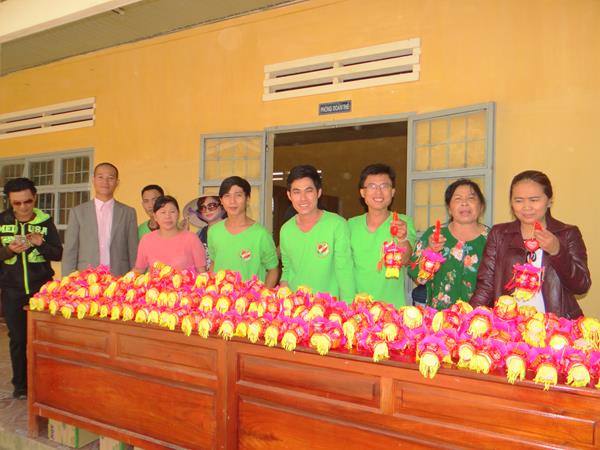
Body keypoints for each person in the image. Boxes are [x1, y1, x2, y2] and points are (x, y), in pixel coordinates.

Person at [470, 170, 591, 318]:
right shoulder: (499, 234)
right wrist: (469, 318)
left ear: (549, 201)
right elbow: (486, 285)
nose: (526, 207)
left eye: (534, 200)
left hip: (556, 325)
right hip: (510, 325)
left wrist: (557, 251)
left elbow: (581, 286)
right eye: (518, 200)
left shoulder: (567, 234)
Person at [0, 178, 62, 399]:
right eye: (17, 203)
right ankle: (21, 386)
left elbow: (58, 253)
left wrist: (41, 244)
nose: (23, 207)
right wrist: (8, 251)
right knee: (18, 339)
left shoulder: (45, 222)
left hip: (42, 290)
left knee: (44, 338)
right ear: (9, 202)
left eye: (28, 201)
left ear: (35, 198)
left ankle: (46, 382)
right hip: (12, 291)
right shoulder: (1, 222)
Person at [409, 179, 488, 310]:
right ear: (449, 208)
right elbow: (417, 276)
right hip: (439, 316)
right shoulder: (435, 234)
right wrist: (430, 251)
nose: (464, 203)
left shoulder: (492, 238)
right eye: (458, 199)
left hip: (480, 317)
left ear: (481, 206)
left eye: (471, 198)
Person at [279, 165, 355, 301]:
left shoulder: (337, 224)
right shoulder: (286, 229)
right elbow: (287, 270)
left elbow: (345, 271)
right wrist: (283, 299)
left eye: (308, 191)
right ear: (289, 195)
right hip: (297, 308)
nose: (303, 198)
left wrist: (348, 308)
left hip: (329, 308)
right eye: (297, 192)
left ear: (319, 192)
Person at [348, 164, 416, 307]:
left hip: (392, 308)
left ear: (392, 192)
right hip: (358, 307)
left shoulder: (403, 222)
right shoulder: (350, 225)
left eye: (384, 186)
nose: (378, 192)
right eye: (372, 186)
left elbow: (405, 260)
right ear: (362, 192)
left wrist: (402, 238)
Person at [62, 162, 138, 277]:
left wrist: (134, 279)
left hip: (119, 278)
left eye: (110, 178)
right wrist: (68, 280)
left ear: (117, 182)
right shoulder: (78, 212)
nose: (105, 182)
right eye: (100, 177)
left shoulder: (128, 213)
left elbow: (133, 250)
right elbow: (70, 251)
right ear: (93, 180)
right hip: (86, 279)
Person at [208, 177, 279, 287]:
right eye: (227, 196)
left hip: (250, 297)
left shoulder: (261, 234)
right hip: (221, 297)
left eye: (238, 195)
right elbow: (214, 263)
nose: (232, 201)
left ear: (247, 198)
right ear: (221, 200)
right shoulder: (214, 231)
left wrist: (264, 294)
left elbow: (273, 269)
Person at [134, 195, 206, 273]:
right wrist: (124, 279)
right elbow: (139, 270)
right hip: (155, 281)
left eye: (172, 212)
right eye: (163, 212)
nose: (168, 216)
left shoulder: (191, 238)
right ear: (155, 216)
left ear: (178, 214)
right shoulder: (146, 240)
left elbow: (202, 272)